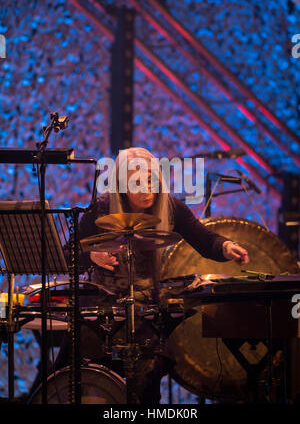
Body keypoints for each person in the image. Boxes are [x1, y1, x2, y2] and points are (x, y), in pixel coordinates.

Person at [56, 147, 249, 403]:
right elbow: (67, 255)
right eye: (138, 183)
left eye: (151, 181)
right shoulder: (100, 208)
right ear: (123, 185)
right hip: (102, 307)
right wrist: (91, 256)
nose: (147, 189)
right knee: (71, 374)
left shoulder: (170, 206)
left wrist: (226, 246)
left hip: (146, 309)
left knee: (146, 381)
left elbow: (204, 240)